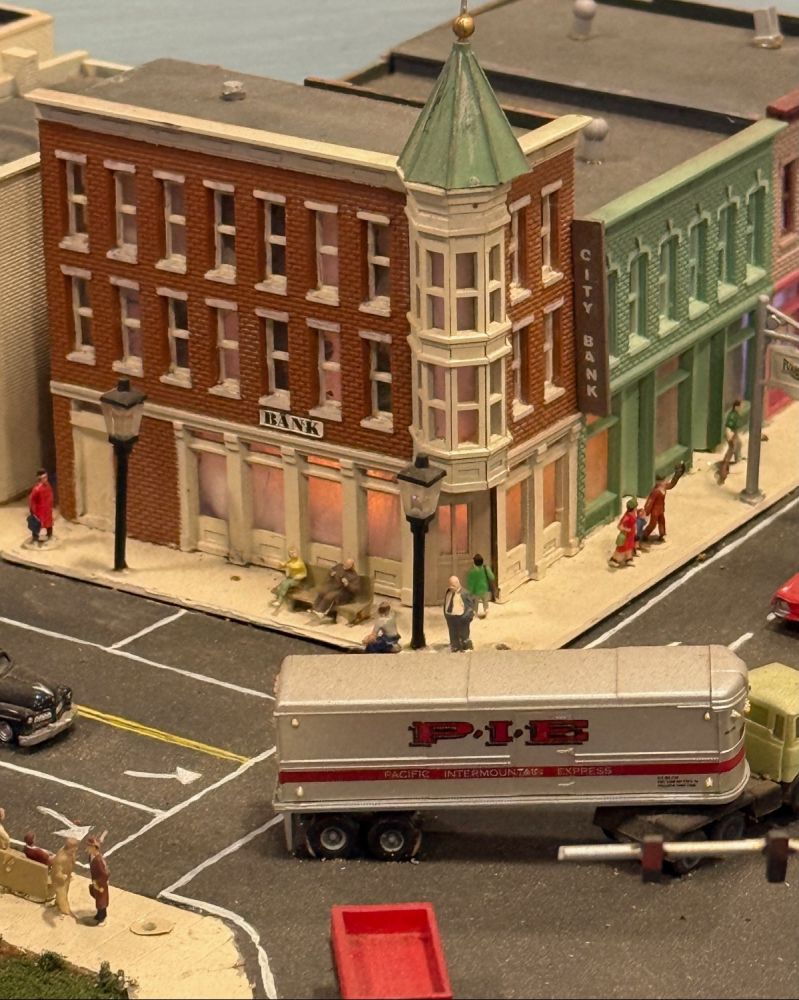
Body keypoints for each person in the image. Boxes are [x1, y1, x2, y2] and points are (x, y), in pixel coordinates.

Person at [642, 462, 686, 543]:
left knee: (662, 521)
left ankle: (662, 534)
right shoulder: (656, 491)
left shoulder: (664, 487)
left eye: (664, 480)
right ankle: (645, 535)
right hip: (655, 511)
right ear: (658, 481)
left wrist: (677, 475)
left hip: (661, 509)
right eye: (662, 480)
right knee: (653, 524)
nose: (664, 482)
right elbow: (650, 501)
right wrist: (646, 511)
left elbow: (671, 485)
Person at [443, 575, 475, 653]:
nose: (451, 587)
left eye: (453, 585)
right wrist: (446, 614)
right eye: (450, 585)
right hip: (451, 616)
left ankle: (467, 647)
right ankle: (455, 646)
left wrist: (466, 617)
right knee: (453, 633)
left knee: (464, 633)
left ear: (458, 583)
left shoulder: (465, 593)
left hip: (462, 616)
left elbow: (471, 606)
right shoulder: (449, 592)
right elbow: (446, 603)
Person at [717, 399, 743, 485]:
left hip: (734, 434)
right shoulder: (732, 416)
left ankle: (737, 460)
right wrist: (730, 438)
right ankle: (722, 474)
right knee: (729, 453)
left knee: (739, 445)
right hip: (731, 435)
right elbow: (728, 428)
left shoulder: (736, 414)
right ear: (736, 407)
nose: (741, 408)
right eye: (740, 406)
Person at [50, 838, 78, 917]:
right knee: (62, 895)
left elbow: (73, 860)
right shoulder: (61, 858)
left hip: (67, 877)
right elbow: (57, 872)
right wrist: (63, 876)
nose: (75, 850)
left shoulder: (71, 853)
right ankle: (64, 911)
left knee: (65, 892)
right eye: (74, 849)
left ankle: (58, 903)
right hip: (60, 880)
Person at [85, 834, 109, 925]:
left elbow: (105, 873)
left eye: (89, 847)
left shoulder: (99, 860)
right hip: (96, 882)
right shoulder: (92, 856)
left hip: (100, 884)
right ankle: (99, 915)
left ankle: (102, 918)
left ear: (93, 848)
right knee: (98, 899)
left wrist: (99, 883)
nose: (87, 849)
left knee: (101, 901)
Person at [609, 498, 638, 568]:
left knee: (629, 547)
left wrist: (635, 530)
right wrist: (627, 529)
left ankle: (629, 559)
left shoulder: (633, 514)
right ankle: (613, 560)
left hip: (631, 535)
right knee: (622, 548)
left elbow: (634, 523)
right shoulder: (627, 517)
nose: (636, 508)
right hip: (626, 535)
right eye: (635, 507)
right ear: (633, 508)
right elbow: (619, 526)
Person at [28, 468, 54, 545]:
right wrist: (32, 509)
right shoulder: (37, 489)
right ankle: (35, 538)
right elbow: (32, 499)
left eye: (46, 477)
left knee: (49, 523)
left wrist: (50, 505)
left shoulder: (48, 485)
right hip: (39, 511)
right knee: (37, 524)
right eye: (44, 478)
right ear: (40, 478)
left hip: (47, 509)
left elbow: (50, 495)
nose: (46, 479)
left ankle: (49, 535)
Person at [466, 554, 496, 619]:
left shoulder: (472, 572)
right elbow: (492, 577)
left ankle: (475, 614)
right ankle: (486, 611)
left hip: (476, 591)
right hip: (484, 588)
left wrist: (470, 592)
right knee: (485, 602)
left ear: (474, 563)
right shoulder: (486, 568)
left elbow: (471, 583)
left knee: (475, 604)